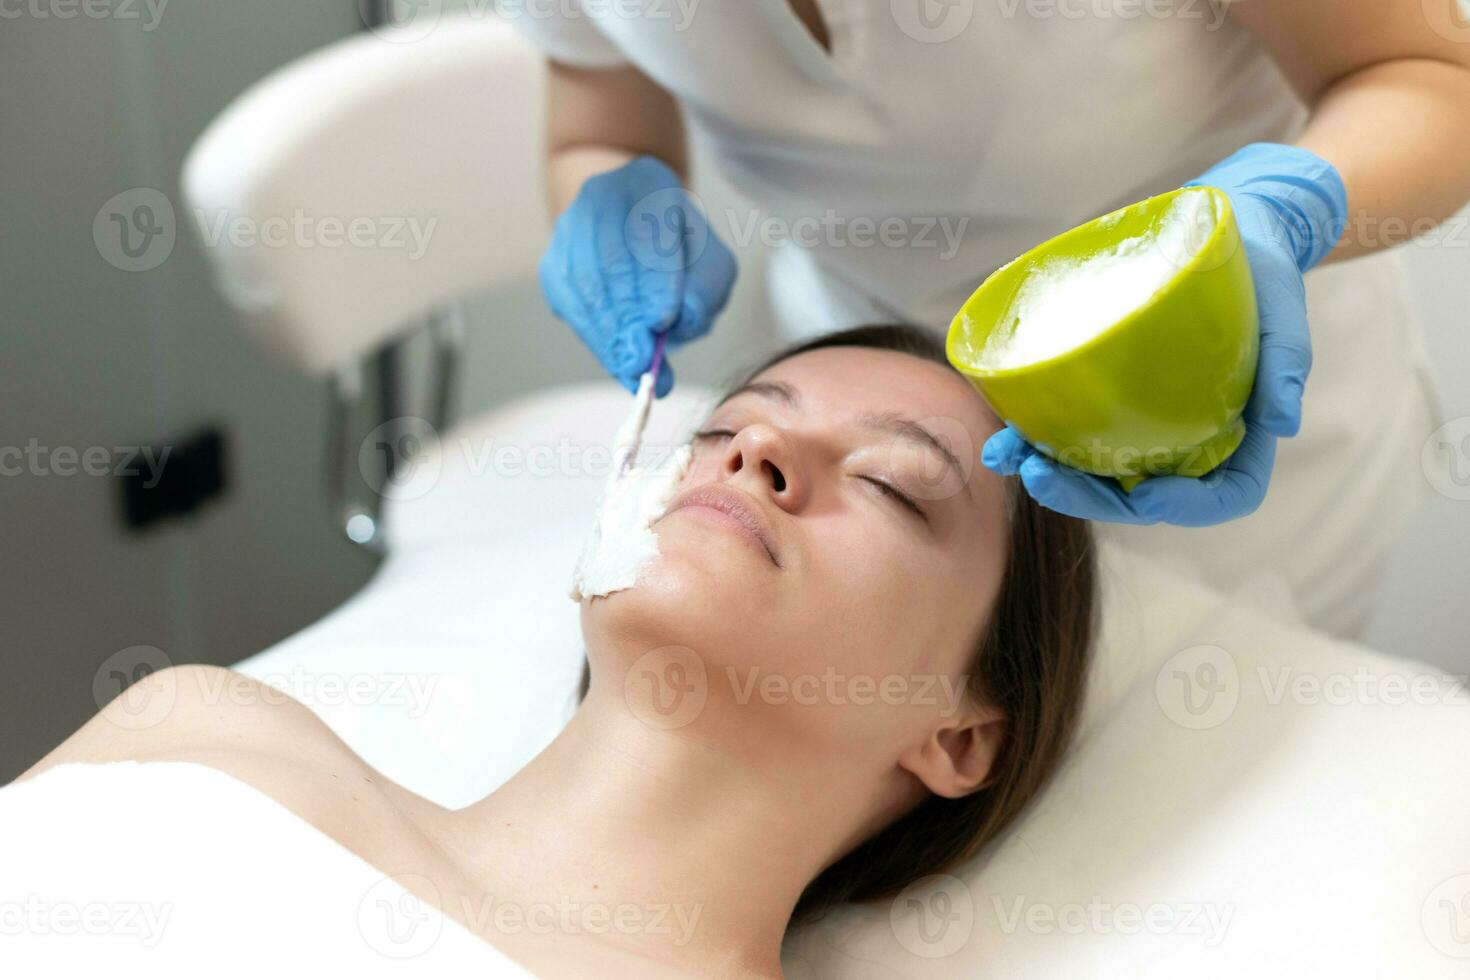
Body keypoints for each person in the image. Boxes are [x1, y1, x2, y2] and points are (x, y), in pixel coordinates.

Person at [18, 326, 1096, 978]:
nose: (756, 451)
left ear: (959, 732)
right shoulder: (204, 729)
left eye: (891, 484)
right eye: (722, 430)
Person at [519, 0, 1465, 637]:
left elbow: (1427, 71)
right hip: (869, 379)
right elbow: (599, 117)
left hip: (1216, 431)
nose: (749, 453)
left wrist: (1283, 215)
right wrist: (602, 190)